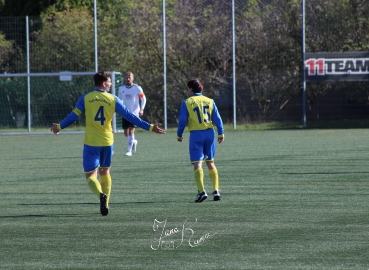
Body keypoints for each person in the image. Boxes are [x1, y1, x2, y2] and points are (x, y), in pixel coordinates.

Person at [51, 71, 166, 216]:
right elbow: (130, 116)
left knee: (91, 176)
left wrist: (59, 127)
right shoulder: (113, 99)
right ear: (104, 84)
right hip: (107, 142)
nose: (111, 84)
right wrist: (150, 127)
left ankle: (100, 195)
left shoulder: (86, 98)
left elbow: (73, 116)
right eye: (110, 82)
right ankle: (106, 203)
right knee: (105, 172)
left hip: (91, 142)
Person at [176, 78, 224, 203]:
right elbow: (217, 119)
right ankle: (216, 190)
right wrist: (221, 133)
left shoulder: (187, 102)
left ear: (191, 89)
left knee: (198, 163)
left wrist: (179, 134)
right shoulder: (210, 101)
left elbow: (182, 121)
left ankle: (202, 192)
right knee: (210, 162)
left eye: (188, 88)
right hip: (210, 133)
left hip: (196, 135)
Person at [118, 71, 146, 156]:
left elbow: (143, 99)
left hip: (134, 113)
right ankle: (133, 141)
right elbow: (119, 100)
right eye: (126, 77)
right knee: (126, 133)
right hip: (125, 112)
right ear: (124, 78)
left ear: (133, 78)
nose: (128, 78)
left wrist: (142, 109)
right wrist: (119, 111)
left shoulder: (137, 88)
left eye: (129, 77)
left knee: (131, 130)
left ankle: (129, 150)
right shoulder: (121, 88)